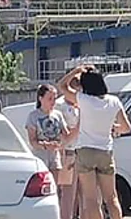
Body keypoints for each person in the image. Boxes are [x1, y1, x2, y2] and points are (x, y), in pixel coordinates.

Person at [59, 65, 131, 219]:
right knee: (111, 198)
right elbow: (126, 127)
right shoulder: (114, 101)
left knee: (91, 200)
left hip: (85, 151)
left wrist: (76, 71)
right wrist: (113, 128)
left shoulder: (83, 100)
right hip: (105, 151)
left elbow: (62, 86)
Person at [25, 84, 70, 194]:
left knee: (55, 188)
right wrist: (45, 145)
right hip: (40, 156)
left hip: (54, 156)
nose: (53, 102)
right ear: (41, 99)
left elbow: (66, 134)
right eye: (50, 99)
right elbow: (32, 141)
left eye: (54, 99)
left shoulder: (58, 115)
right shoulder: (33, 116)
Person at [55, 74, 82, 219]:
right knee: (68, 194)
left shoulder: (81, 104)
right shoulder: (60, 106)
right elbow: (60, 133)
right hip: (68, 152)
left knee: (83, 194)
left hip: (82, 151)